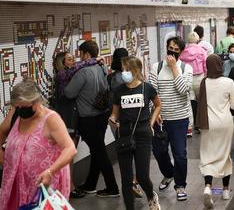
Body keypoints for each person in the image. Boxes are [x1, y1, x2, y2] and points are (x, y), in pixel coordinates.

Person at [0, 77, 77, 209]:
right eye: (16, 107)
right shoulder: (17, 114)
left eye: (24, 107)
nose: (20, 110)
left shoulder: (51, 119)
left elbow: (70, 149)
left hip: (42, 186)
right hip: (15, 184)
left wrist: (51, 171)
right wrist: (4, 159)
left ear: (36, 101)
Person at [64, 41, 120, 197]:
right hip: (102, 115)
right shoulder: (101, 67)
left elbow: (69, 93)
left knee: (100, 153)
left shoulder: (82, 73)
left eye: (80, 54)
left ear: (86, 54)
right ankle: (90, 184)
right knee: (97, 150)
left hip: (88, 119)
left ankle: (112, 187)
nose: (78, 58)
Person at [109, 56, 161, 210]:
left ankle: (151, 195)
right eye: (122, 69)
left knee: (143, 176)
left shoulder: (147, 88)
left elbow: (158, 105)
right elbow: (114, 114)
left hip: (143, 133)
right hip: (124, 133)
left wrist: (151, 122)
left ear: (136, 70)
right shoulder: (119, 91)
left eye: (127, 69)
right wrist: (112, 119)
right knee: (126, 179)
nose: (124, 73)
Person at [149, 36, 193, 201]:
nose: (172, 52)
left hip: (180, 119)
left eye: (176, 49)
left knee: (180, 153)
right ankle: (169, 174)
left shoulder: (186, 68)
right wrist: (155, 111)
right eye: (170, 48)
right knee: (159, 151)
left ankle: (180, 185)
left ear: (181, 52)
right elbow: (153, 93)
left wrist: (175, 68)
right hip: (161, 118)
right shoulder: (156, 67)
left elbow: (183, 90)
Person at [52, 51, 98, 198]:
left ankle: (69, 185)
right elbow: (78, 67)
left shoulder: (69, 74)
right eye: (70, 59)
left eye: (73, 59)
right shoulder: (62, 75)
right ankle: (68, 187)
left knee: (71, 153)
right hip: (66, 118)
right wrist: (93, 61)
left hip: (73, 117)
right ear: (62, 62)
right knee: (68, 155)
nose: (74, 62)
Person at [196, 54, 234, 208]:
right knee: (224, 154)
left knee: (208, 155)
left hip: (208, 124)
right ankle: (226, 191)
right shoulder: (228, 82)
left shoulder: (204, 82)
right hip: (225, 123)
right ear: (220, 64)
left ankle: (208, 187)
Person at [107, 48, 144, 198]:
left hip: (118, 122)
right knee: (135, 152)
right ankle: (133, 181)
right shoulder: (134, 80)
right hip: (129, 122)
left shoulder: (111, 78)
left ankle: (130, 182)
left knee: (125, 151)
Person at [179, 32, 207, 135]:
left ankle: (189, 128)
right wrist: (206, 77)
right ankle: (200, 125)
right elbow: (205, 65)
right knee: (201, 102)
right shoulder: (202, 50)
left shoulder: (184, 52)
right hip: (199, 78)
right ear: (198, 40)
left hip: (186, 77)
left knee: (189, 102)